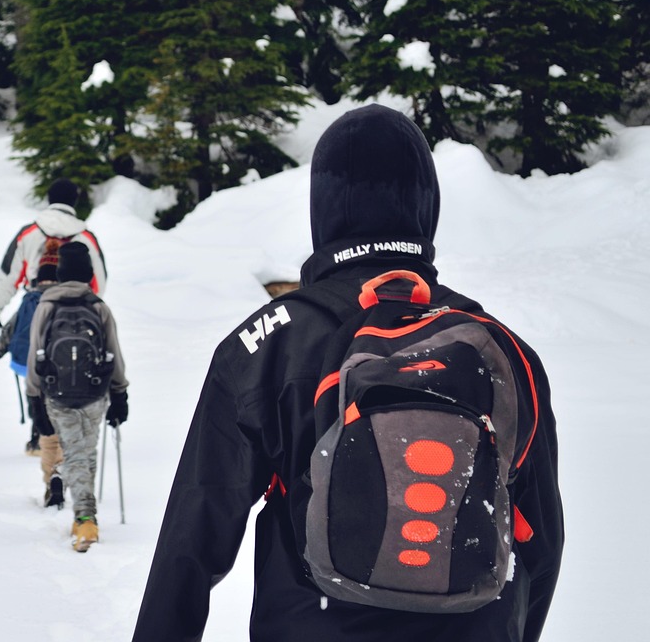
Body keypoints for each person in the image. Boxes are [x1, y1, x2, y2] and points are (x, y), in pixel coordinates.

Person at [132, 105, 563, 641]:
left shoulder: (268, 342)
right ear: (426, 206)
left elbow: (191, 543)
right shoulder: (500, 347)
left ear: (323, 207)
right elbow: (540, 545)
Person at [26, 241, 129, 551]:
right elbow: (114, 352)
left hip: (57, 394)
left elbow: (35, 353)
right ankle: (85, 515)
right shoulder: (98, 306)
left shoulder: (46, 306)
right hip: (95, 392)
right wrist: (121, 393)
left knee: (74, 453)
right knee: (86, 451)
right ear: (87, 273)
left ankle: (85, 518)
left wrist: (34, 397)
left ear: (60, 274)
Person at [0, 177, 107, 344]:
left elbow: (9, 276)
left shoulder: (28, 233)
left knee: (32, 362)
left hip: (36, 309)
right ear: (74, 201)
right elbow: (99, 283)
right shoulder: (86, 238)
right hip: (76, 314)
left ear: (49, 199)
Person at [0, 244, 61, 456]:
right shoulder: (64, 300)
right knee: (54, 403)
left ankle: (37, 440)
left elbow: (9, 332)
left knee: (36, 399)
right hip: (58, 366)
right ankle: (53, 442)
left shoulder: (29, 301)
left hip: (27, 363)